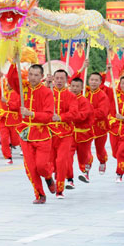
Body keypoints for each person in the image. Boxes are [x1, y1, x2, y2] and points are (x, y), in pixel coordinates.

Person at [7, 64, 55, 204]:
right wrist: (14, 62)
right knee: (30, 168)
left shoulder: (46, 92)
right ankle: (40, 194)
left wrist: (31, 114)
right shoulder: (23, 89)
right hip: (26, 133)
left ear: (41, 77)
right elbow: (11, 79)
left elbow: (48, 116)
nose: (33, 78)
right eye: (31, 74)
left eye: (36, 75)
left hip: (42, 133)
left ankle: (48, 176)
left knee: (41, 166)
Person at [46, 69, 77, 198]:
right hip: (49, 132)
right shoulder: (48, 93)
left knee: (62, 160)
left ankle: (60, 190)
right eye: (56, 78)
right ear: (53, 79)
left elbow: (74, 113)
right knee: (50, 162)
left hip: (65, 133)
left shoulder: (71, 96)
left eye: (61, 78)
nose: (59, 81)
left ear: (66, 80)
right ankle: (52, 177)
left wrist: (61, 117)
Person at [66, 77, 94, 187]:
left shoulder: (84, 101)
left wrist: (69, 116)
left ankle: (85, 171)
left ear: (82, 88)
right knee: (68, 156)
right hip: (70, 134)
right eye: (73, 86)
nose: (74, 88)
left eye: (77, 86)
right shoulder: (66, 99)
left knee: (83, 157)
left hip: (83, 134)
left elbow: (83, 116)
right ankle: (69, 179)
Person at [86, 72, 110, 177]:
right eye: (92, 79)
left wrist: (86, 113)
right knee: (85, 148)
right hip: (86, 127)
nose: (94, 82)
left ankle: (102, 161)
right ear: (88, 81)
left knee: (99, 149)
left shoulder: (102, 96)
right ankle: (87, 164)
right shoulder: (84, 92)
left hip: (100, 127)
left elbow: (102, 113)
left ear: (100, 82)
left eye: (96, 80)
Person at [109, 76, 124, 182]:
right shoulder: (114, 95)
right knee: (115, 154)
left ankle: (119, 173)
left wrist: (123, 118)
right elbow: (100, 88)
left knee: (121, 152)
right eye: (123, 83)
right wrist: (106, 71)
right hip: (114, 130)